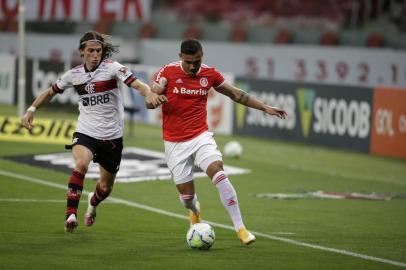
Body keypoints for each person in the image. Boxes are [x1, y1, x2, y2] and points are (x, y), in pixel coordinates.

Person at [20, 31, 167, 233]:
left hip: (112, 137)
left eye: (98, 50)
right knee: (81, 163)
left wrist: (149, 93)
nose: (95, 54)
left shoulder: (113, 68)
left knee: (105, 188)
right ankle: (70, 215)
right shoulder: (74, 74)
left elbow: (137, 84)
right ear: (81, 52)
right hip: (86, 132)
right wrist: (31, 110)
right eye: (90, 51)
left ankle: (93, 203)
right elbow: (49, 92)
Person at [152, 38, 287, 245]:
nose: (192, 66)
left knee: (218, 170)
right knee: (187, 198)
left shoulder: (209, 74)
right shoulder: (167, 72)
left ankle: (241, 228)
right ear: (180, 57)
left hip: (200, 136)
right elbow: (152, 94)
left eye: (196, 61)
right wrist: (155, 97)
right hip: (174, 143)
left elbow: (237, 95)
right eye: (188, 62)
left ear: (202, 55)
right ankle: (195, 212)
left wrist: (265, 107)